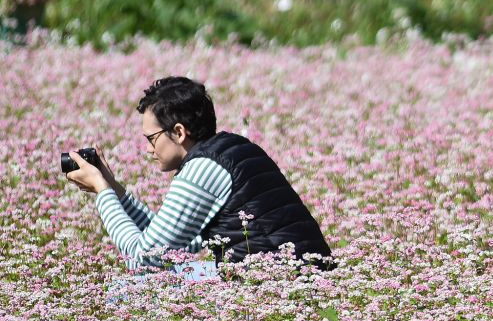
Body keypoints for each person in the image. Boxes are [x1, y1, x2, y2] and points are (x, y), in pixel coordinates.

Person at [65, 76, 333, 273]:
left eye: (152, 138)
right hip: (298, 273)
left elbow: (144, 257)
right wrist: (116, 190)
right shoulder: (231, 148)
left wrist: (102, 191)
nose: (148, 149)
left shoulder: (202, 169)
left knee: (123, 292)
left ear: (179, 132)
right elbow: (175, 242)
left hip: (277, 283)